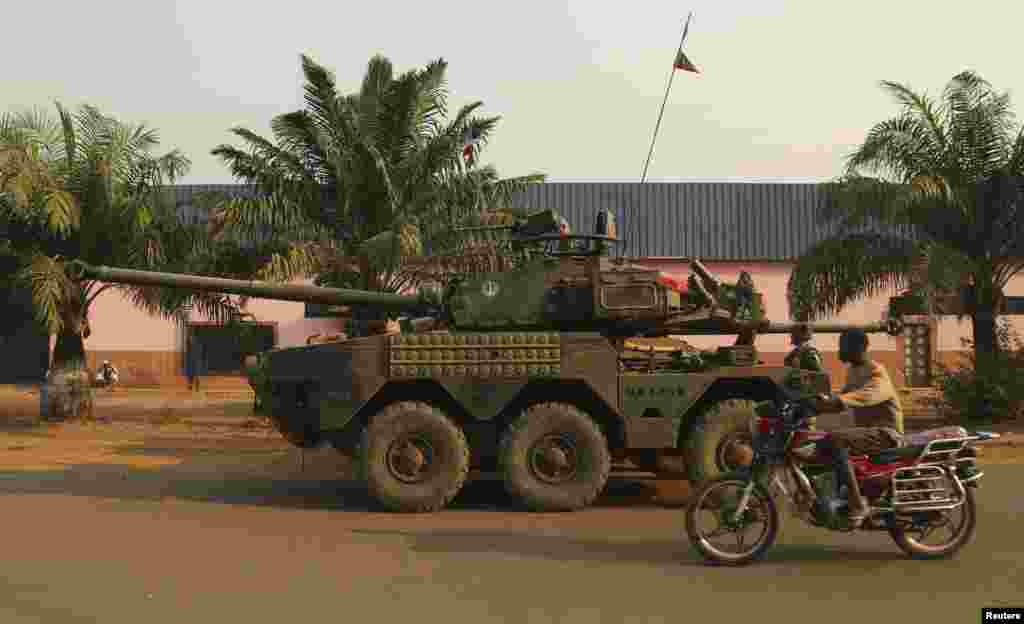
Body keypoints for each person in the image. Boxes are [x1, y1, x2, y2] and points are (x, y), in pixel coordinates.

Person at [813, 328, 904, 528]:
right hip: (867, 433)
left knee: (835, 440)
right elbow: (845, 397)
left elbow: (868, 395)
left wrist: (837, 401)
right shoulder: (853, 371)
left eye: (843, 346)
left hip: (886, 433)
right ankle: (837, 496)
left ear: (859, 347)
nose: (839, 351)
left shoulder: (876, 371)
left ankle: (857, 503)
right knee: (820, 442)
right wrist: (816, 404)